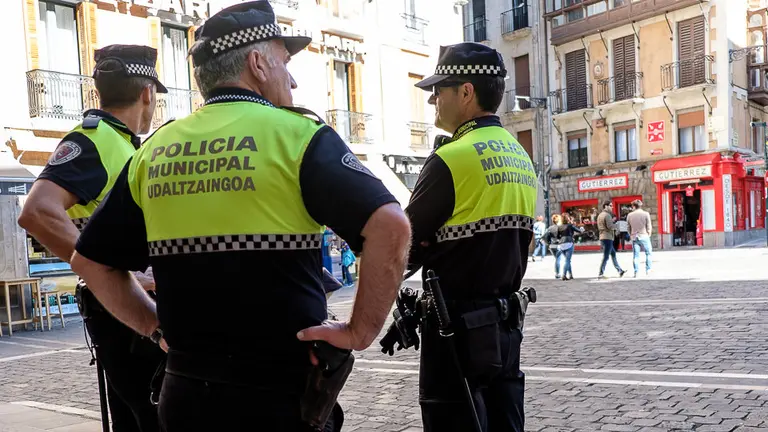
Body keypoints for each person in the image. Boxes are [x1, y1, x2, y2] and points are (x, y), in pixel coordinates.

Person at [67, 2, 411, 431]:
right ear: (257, 64)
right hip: (279, 396)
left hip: (185, 393)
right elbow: (391, 226)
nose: (292, 79)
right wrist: (359, 332)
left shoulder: (154, 150)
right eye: (285, 62)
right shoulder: (298, 137)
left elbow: (90, 262)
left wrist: (154, 327)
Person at [18, 45, 166, 432]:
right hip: (124, 311)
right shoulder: (93, 141)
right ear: (147, 92)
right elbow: (37, 212)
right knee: (152, 417)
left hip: (125, 310)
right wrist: (110, 272)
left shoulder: (121, 143)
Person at [405, 42, 538, 432]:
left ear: (466, 92)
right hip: (505, 327)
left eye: (439, 90)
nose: (433, 100)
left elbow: (404, 244)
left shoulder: (451, 158)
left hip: (455, 332)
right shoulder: (520, 156)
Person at [597, 200, 626, 279]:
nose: (612, 207)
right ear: (606, 206)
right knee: (606, 257)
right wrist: (617, 226)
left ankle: (620, 270)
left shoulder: (600, 215)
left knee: (613, 254)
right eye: (610, 205)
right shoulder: (607, 215)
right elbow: (610, 226)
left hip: (603, 237)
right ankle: (601, 274)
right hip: (607, 237)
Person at [627, 199, 653, 277]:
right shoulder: (646, 214)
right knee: (648, 253)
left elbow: (628, 227)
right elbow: (649, 225)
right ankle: (648, 270)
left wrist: (631, 234)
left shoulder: (630, 215)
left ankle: (636, 272)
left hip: (634, 236)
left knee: (636, 255)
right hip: (644, 235)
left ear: (634, 206)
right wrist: (649, 233)